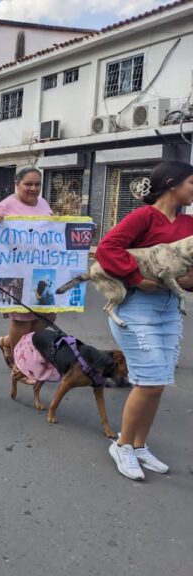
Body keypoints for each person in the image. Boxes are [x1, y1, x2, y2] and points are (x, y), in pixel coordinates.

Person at [95, 160, 193, 481]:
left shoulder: (188, 224)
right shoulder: (144, 216)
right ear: (171, 183)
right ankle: (122, 445)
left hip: (168, 309)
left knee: (157, 383)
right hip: (136, 308)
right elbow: (108, 248)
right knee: (148, 381)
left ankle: (139, 445)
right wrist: (136, 278)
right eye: (192, 182)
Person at [0, 168, 55, 368]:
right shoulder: (6, 205)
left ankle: (7, 342)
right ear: (16, 184)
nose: (33, 188)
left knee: (47, 316)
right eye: (28, 184)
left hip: (42, 270)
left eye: (37, 184)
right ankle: (21, 364)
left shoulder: (43, 203)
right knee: (22, 319)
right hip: (16, 272)